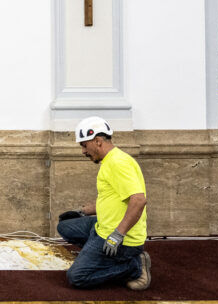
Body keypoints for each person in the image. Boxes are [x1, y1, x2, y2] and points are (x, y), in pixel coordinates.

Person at [56, 116, 151, 290]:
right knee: (64, 226)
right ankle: (99, 256)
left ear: (98, 141)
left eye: (84, 145)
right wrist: (83, 212)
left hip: (119, 238)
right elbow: (111, 198)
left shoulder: (118, 163)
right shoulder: (110, 161)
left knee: (77, 277)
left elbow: (138, 200)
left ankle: (133, 266)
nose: (83, 152)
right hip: (102, 226)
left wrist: (117, 235)